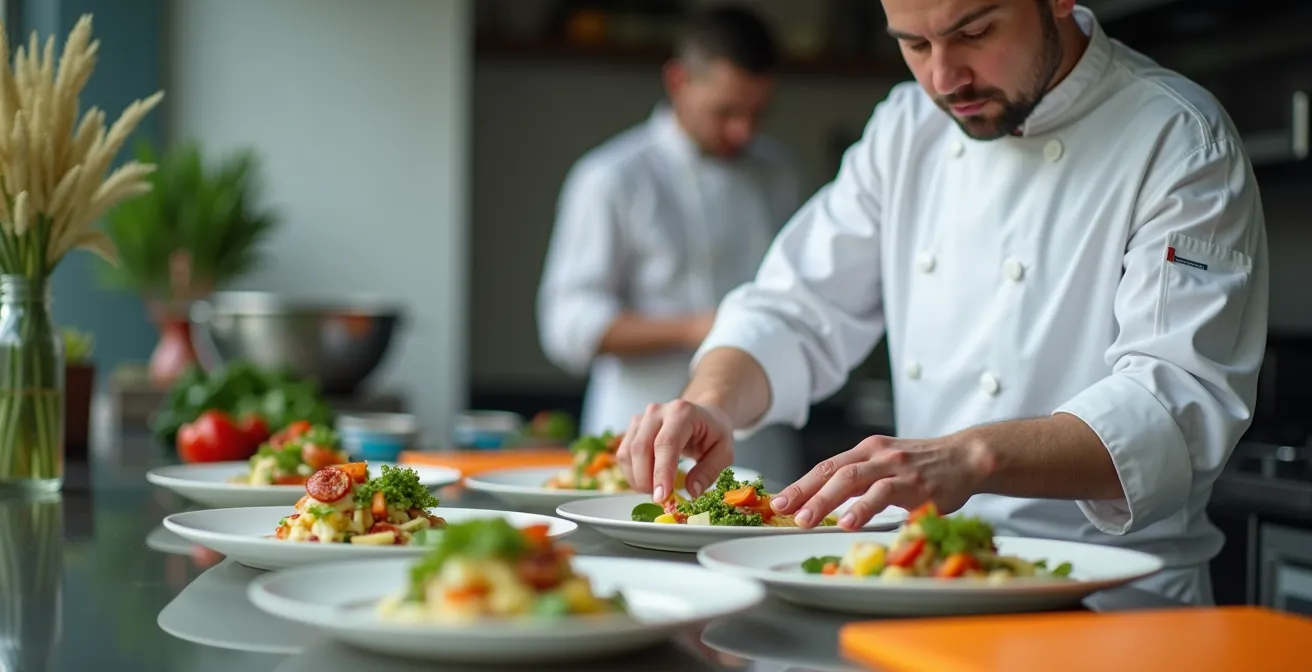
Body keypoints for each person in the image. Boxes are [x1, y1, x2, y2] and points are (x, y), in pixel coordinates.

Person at [614, 0, 1269, 606]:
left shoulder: (1179, 138)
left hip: (1111, 600)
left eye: (974, 32)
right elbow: (793, 305)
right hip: (926, 582)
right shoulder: (906, 128)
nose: (944, 77)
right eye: (914, 43)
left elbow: (1176, 401)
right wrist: (711, 401)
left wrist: (971, 457)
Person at [537, 6, 806, 481]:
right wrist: (696, 328)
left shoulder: (779, 174)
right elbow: (568, 324)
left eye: (757, 113)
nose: (742, 130)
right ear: (679, 81)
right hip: (635, 437)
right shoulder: (612, 177)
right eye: (725, 111)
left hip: (759, 441)